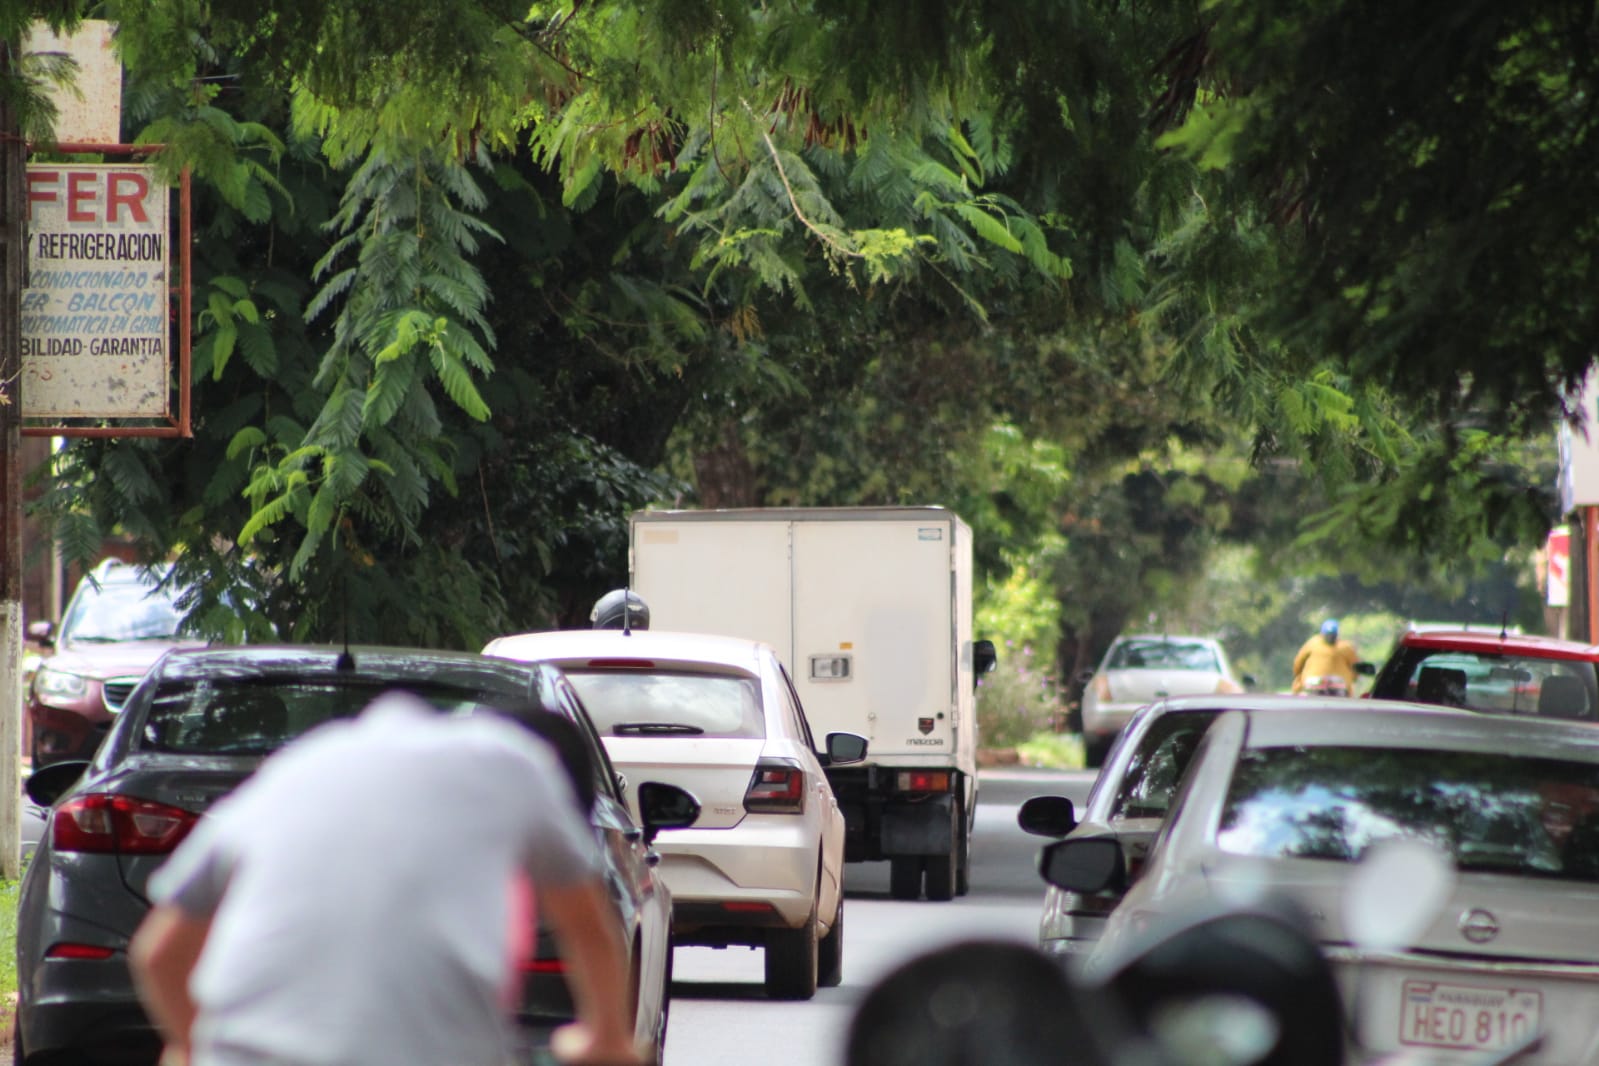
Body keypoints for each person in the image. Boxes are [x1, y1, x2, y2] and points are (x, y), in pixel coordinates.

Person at [127, 690, 648, 1066]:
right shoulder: (518, 763)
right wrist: (605, 1039)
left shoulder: (295, 767)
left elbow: (157, 953)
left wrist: (193, 1046)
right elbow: (586, 926)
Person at [1291, 618, 1360, 695]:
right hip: (1338, 684)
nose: (1330, 637)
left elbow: (1298, 663)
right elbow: (1356, 667)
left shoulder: (1312, 643)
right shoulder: (1345, 647)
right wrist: (1353, 678)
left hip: (1313, 683)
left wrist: (1298, 676)